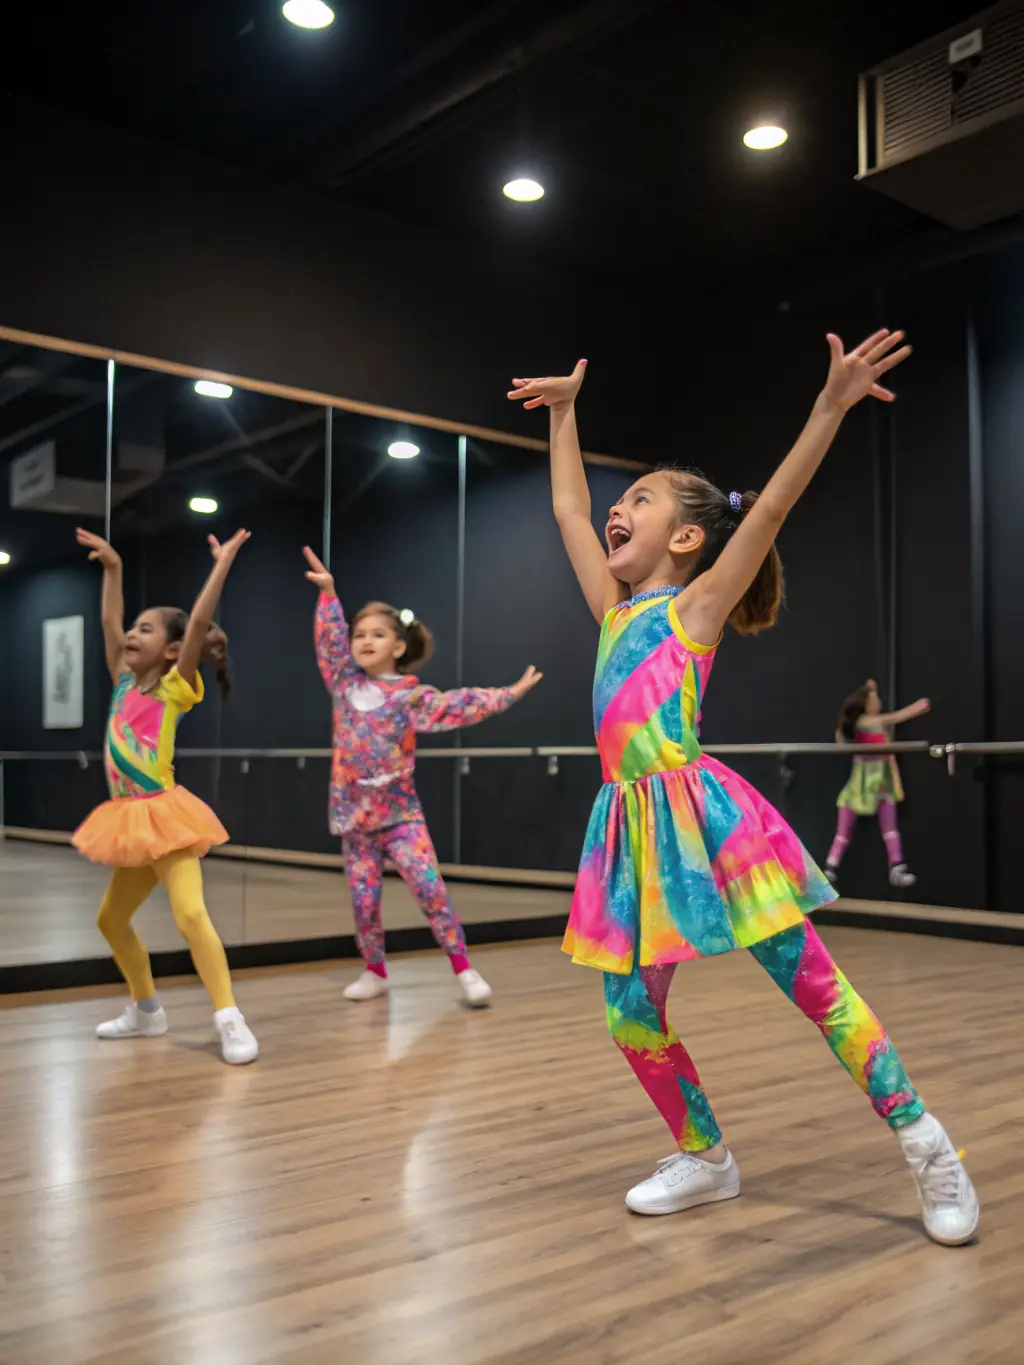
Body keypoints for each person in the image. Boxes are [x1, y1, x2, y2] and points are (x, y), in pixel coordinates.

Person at [507, 334, 978, 1246]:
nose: (615, 508)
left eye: (638, 500)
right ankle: (706, 1155)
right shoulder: (612, 610)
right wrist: (565, 411)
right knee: (631, 1016)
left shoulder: (695, 608)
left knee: (815, 986)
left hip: (706, 825)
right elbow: (567, 503)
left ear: (686, 536)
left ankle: (926, 1141)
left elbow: (771, 512)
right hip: (630, 834)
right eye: (622, 496)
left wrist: (829, 409)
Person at [303, 546, 542, 1007]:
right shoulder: (344, 685)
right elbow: (329, 642)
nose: (363, 641)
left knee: (430, 889)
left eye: (377, 635)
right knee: (363, 901)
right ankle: (375, 970)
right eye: (359, 634)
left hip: (400, 818)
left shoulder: (410, 697)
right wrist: (330, 595)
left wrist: (508, 694)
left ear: (398, 646)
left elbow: (459, 705)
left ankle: (464, 968)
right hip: (356, 820)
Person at [72, 527, 258, 1065]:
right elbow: (109, 621)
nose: (131, 633)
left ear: (173, 650)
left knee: (191, 915)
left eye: (145, 629)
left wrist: (220, 565)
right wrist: (113, 570)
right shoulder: (123, 681)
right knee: (111, 919)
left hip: (165, 816)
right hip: (129, 821)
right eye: (134, 627)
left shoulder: (173, 688)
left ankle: (229, 1017)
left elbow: (198, 621)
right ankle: (147, 1010)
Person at [825, 680, 929, 890]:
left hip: (881, 784)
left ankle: (897, 867)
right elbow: (895, 717)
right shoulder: (865, 722)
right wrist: (917, 708)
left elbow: (889, 756)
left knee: (890, 829)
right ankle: (830, 868)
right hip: (860, 785)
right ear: (865, 704)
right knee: (843, 833)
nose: (878, 702)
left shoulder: (877, 726)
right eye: (874, 699)